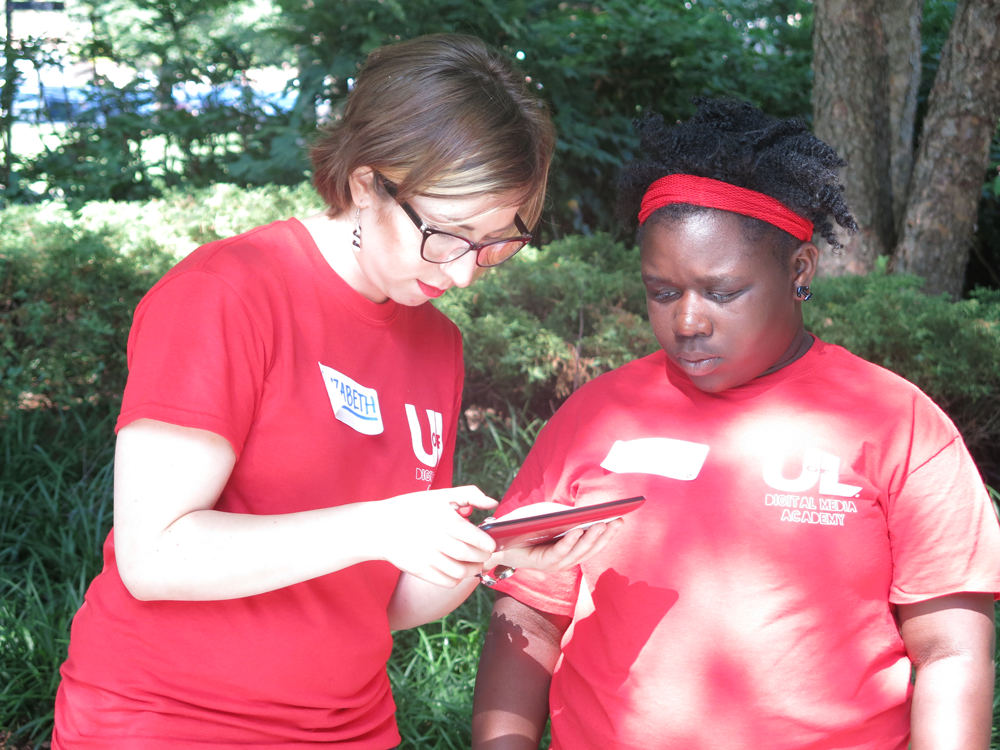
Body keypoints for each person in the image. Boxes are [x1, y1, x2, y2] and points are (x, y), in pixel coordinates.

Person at [52, 34, 620, 750]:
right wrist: (378, 525)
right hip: (170, 722)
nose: (468, 272)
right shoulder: (227, 292)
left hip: (348, 728)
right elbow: (155, 556)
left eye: (498, 244)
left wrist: (488, 552)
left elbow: (384, 604)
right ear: (364, 183)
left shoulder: (435, 341)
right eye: (449, 234)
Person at [471, 97, 1000, 750]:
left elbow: (950, 649)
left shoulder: (899, 424)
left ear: (799, 270)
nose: (688, 320)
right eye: (662, 292)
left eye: (722, 292)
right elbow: (529, 612)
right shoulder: (598, 415)